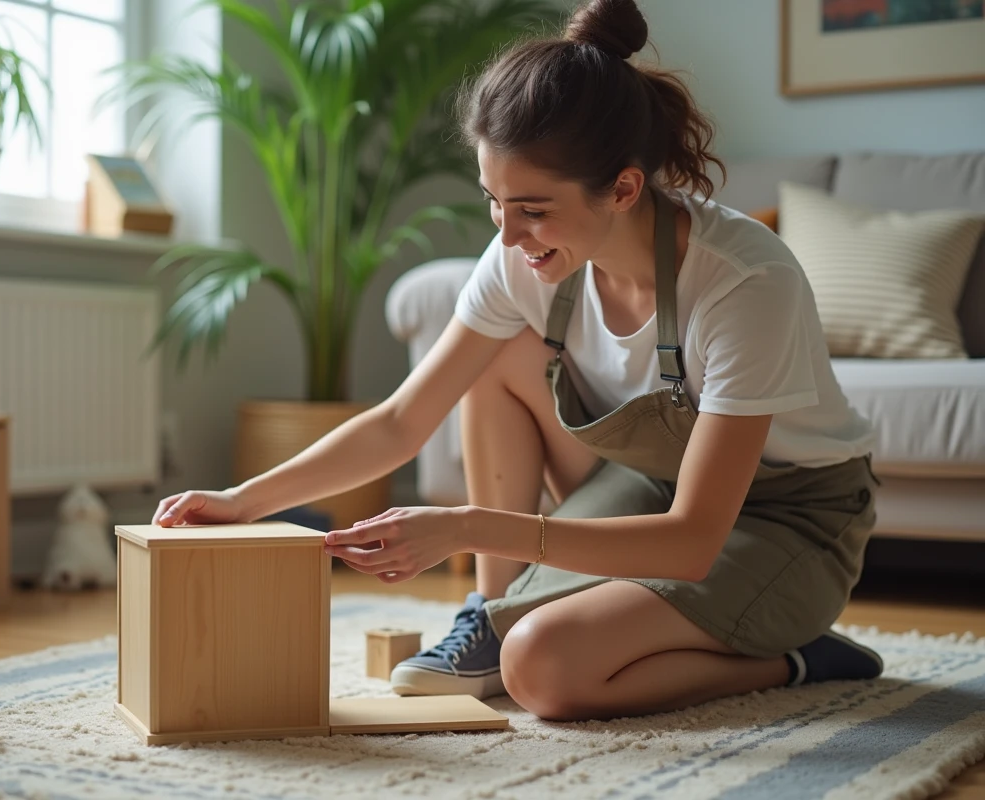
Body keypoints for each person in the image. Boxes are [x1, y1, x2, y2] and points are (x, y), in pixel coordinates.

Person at [153, 0, 884, 721]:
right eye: (493, 202)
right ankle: (488, 611)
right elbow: (401, 421)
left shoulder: (743, 282)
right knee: (498, 360)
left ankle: (794, 658)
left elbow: (693, 542)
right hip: (653, 486)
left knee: (543, 667)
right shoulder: (523, 257)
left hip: (790, 522)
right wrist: (242, 501)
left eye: (532, 208)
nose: (507, 238)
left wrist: (467, 526)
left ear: (624, 188)